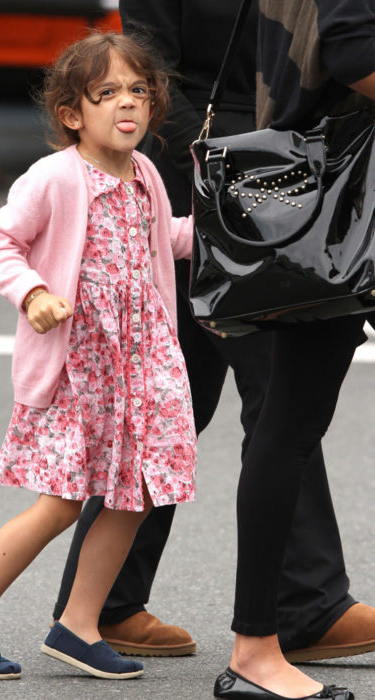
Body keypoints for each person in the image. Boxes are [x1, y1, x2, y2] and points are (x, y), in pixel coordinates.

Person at [52, 0, 375, 668]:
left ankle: (101, 603)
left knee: (178, 393)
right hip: (226, 177)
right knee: (277, 388)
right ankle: (305, 605)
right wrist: (241, 154)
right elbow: (147, 67)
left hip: (253, 170)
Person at [0, 32, 197, 682]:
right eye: (106, 93)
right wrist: (34, 293)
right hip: (81, 368)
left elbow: (168, 242)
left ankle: (78, 624)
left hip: (142, 364)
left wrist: (230, 221)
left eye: (138, 91)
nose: (126, 104)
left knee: (136, 495)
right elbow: (0, 242)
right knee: (60, 503)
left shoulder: (146, 175)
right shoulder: (54, 176)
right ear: (73, 113)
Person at [213, 1, 375, 698]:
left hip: (329, 202)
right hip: (340, 200)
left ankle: (256, 646)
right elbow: (350, 49)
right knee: (286, 424)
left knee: (286, 424)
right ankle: (252, 651)